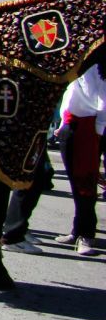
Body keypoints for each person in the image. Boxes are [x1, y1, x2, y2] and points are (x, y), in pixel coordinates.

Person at [53, 65, 105, 256]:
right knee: (76, 183)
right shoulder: (79, 64)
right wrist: (63, 123)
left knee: (86, 183)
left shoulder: (96, 66)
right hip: (72, 123)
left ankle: (86, 234)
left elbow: (102, 101)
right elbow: (70, 95)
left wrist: (98, 133)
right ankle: (78, 229)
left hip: (89, 126)